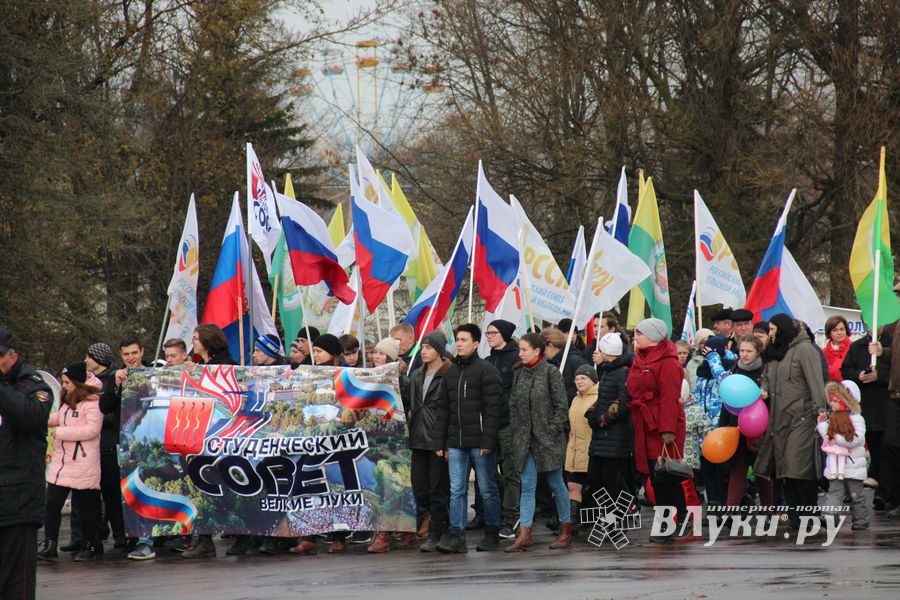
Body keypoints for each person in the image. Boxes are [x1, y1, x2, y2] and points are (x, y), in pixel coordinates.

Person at [754, 314, 828, 529]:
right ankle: (795, 516)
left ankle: (809, 514)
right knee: (784, 470)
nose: (771, 333)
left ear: (784, 329)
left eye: (774, 329)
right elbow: (766, 375)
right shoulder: (776, 351)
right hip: (778, 420)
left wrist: (821, 410)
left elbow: (815, 382)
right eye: (769, 329)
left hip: (802, 419)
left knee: (800, 469)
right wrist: (764, 389)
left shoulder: (805, 350)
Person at [434, 323, 502, 554]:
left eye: (464, 340)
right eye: (457, 340)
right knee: (457, 490)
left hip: (481, 442)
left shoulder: (486, 370)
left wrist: (488, 441)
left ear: (475, 343)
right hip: (456, 443)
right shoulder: (450, 372)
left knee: (487, 489)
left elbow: (495, 410)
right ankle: (457, 536)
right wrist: (441, 442)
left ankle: (492, 533)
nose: (459, 344)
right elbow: (443, 410)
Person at [504, 332, 571, 551]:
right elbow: (513, 404)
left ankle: (565, 530)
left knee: (556, 484)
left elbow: (561, 406)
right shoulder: (519, 374)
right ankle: (525, 532)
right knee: (527, 486)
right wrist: (517, 430)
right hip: (525, 440)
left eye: (524, 349)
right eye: (520, 349)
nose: (520, 353)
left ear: (537, 351)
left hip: (548, 440)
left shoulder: (551, 373)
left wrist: (552, 430)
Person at [0, 330, 52, 599]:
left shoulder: (33, 386)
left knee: (15, 587)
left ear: (13, 355)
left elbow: (31, 418)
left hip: (18, 502)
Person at [626, 318, 687, 535]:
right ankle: (667, 522)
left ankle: (677, 519)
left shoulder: (668, 362)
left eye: (639, 334)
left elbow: (669, 398)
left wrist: (667, 430)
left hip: (662, 427)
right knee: (655, 476)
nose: (635, 337)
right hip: (646, 424)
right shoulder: (640, 359)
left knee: (666, 476)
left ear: (652, 338)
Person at [38, 363, 104, 562]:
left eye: (66, 382)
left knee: (86, 507)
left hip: (83, 462)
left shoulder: (93, 403)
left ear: (76, 382)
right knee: (51, 503)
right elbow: (60, 417)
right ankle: (50, 543)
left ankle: (91, 543)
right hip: (62, 462)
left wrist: (59, 432)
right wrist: (39, 418)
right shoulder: (68, 399)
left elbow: (91, 430)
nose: (63, 385)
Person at [182, 324, 235, 559]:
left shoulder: (223, 365)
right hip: (208, 436)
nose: (193, 342)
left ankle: (207, 540)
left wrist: (198, 375)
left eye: (196, 339)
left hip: (219, 437)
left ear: (207, 342)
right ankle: (205, 538)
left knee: (211, 486)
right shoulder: (205, 366)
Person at [292, 333, 344, 556]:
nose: (316, 355)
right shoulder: (307, 372)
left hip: (336, 441)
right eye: (314, 351)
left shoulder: (344, 375)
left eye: (320, 351)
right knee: (310, 486)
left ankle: (338, 536)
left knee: (335, 488)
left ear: (332, 354)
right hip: (311, 439)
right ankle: (309, 536)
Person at [711, 335, 774, 510]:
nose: (744, 354)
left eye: (749, 351)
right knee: (737, 471)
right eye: (742, 350)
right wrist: (724, 426)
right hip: (736, 429)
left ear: (758, 352)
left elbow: (772, 400)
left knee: (761, 472)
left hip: (759, 428)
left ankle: (768, 511)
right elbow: (727, 400)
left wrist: (764, 396)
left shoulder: (765, 372)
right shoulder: (734, 369)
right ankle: (731, 511)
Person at [366, 337, 417, 554]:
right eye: (374, 352)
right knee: (378, 487)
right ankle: (391, 531)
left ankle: (387, 534)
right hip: (373, 441)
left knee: (393, 485)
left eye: (380, 353)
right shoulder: (366, 378)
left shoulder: (401, 379)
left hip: (396, 442)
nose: (375, 356)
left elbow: (407, 408)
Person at [407, 331, 452, 553]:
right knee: (419, 487)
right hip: (418, 438)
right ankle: (431, 520)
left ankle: (437, 532)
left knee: (438, 489)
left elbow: (452, 410)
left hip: (437, 438)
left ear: (439, 351)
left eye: (429, 348)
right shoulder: (416, 375)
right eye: (422, 347)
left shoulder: (449, 374)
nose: (424, 352)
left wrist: (445, 442)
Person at [585, 333, 634, 509]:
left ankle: (619, 514)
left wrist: (603, 420)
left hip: (615, 434)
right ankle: (614, 511)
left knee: (610, 480)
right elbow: (604, 397)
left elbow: (624, 402)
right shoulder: (608, 370)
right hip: (602, 434)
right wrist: (592, 412)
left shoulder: (621, 373)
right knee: (594, 477)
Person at [841, 325, 891, 499]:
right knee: (872, 447)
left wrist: (880, 376)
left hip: (886, 405)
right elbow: (846, 369)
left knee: (887, 449)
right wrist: (859, 375)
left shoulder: (890, 344)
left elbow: (894, 372)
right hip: (865, 407)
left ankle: (884, 491)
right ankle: (869, 485)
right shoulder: (858, 346)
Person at [484, 319, 520, 539]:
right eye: (487, 333)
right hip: (490, 423)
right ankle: (494, 514)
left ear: (504, 334)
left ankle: (512, 516)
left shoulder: (516, 359)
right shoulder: (488, 360)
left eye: (493, 333)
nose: (489, 336)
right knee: (487, 472)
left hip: (509, 424)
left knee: (511, 472)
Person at [817, 381, 869, 530]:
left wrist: (837, 439)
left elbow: (856, 439)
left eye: (835, 400)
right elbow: (827, 437)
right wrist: (822, 425)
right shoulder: (832, 418)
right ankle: (829, 518)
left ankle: (861, 519)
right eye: (831, 400)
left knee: (855, 495)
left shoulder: (857, 419)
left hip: (853, 465)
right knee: (834, 492)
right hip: (835, 466)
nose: (832, 403)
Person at [694, 336, 736, 507]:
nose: (707, 355)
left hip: (721, 426)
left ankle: (729, 500)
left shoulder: (730, 368)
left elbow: (725, 383)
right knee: (707, 467)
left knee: (723, 468)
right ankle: (713, 502)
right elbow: (697, 396)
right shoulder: (702, 372)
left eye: (710, 351)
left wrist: (714, 360)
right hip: (704, 428)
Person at [868, 316, 900, 517]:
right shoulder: (895, 325)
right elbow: (896, 355)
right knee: (892, 445)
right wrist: (883, 352)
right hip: (896, 394)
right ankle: (894, 498)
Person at [564, 364, 598, 533]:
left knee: (596, 487)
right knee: (573, 485)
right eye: (576, 379)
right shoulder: (576, 399)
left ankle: (595, 519)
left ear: (592, 379)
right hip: (575, 450)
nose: (579, 381)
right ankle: (571, 523)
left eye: (583, 378)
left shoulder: (598, 398)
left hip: (592, 451)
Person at [542, 327, 588, 403]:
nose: (541, 352)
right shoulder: (550, 363)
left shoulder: (575, 361)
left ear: (550, 346)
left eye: (542, 348)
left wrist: (560, 397)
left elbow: (586, 388)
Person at [822, 315, 852, 382]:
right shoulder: (824, 352)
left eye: (842, 329)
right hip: (829, 390)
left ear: (846, 330)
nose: (839, 333)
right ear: (829, 333)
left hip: (848, 390)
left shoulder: (854, 348)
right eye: (835, 330)